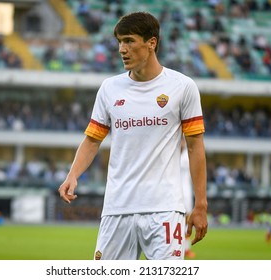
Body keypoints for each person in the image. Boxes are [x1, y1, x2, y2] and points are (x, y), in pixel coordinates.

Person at [58, 11, 208, 260]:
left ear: (152, 43)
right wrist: (73, 175)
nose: (121, 49)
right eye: (119, 42)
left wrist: (201, 204)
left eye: (128, 40)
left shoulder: (183, 87)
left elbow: (195, 147)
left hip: (165, 209)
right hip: (117, 208)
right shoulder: (109, 88)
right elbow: (93, 139)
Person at [180, 138, 196, 259]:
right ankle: (179, 248)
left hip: (185, 192)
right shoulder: (172, 154)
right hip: (173, 191)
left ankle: (186, 249)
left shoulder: (187, 156)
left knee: (186, 221)